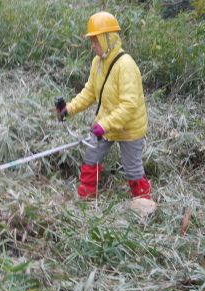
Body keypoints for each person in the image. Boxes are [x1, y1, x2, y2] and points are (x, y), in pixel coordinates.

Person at [55, 11, 153, 201]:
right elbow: (89, 92)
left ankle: (144, 205)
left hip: (129, 128)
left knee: (132, 169)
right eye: (92, 41)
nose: (93, 46)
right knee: (91, 160)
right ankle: (86, 199)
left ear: (108, 38)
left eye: (96, 41)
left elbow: (129, 104)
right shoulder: (97, 63)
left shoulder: (126, 65)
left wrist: (105, 125)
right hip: (105, 124)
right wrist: (69, 109)